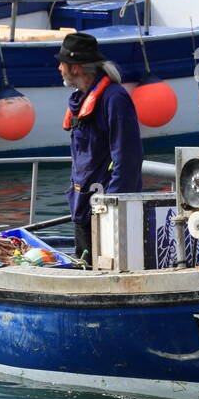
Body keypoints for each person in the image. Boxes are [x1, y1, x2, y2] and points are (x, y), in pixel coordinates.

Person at [58, 32, 143, 264]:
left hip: (107, 211)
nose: (59, 68)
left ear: (76, 68)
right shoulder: (80, 99)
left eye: (62, 63)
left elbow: (128, 159)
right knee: (85, 266)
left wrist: (113, 207)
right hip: (83, 206)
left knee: (107, 270)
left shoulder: (114, 99)